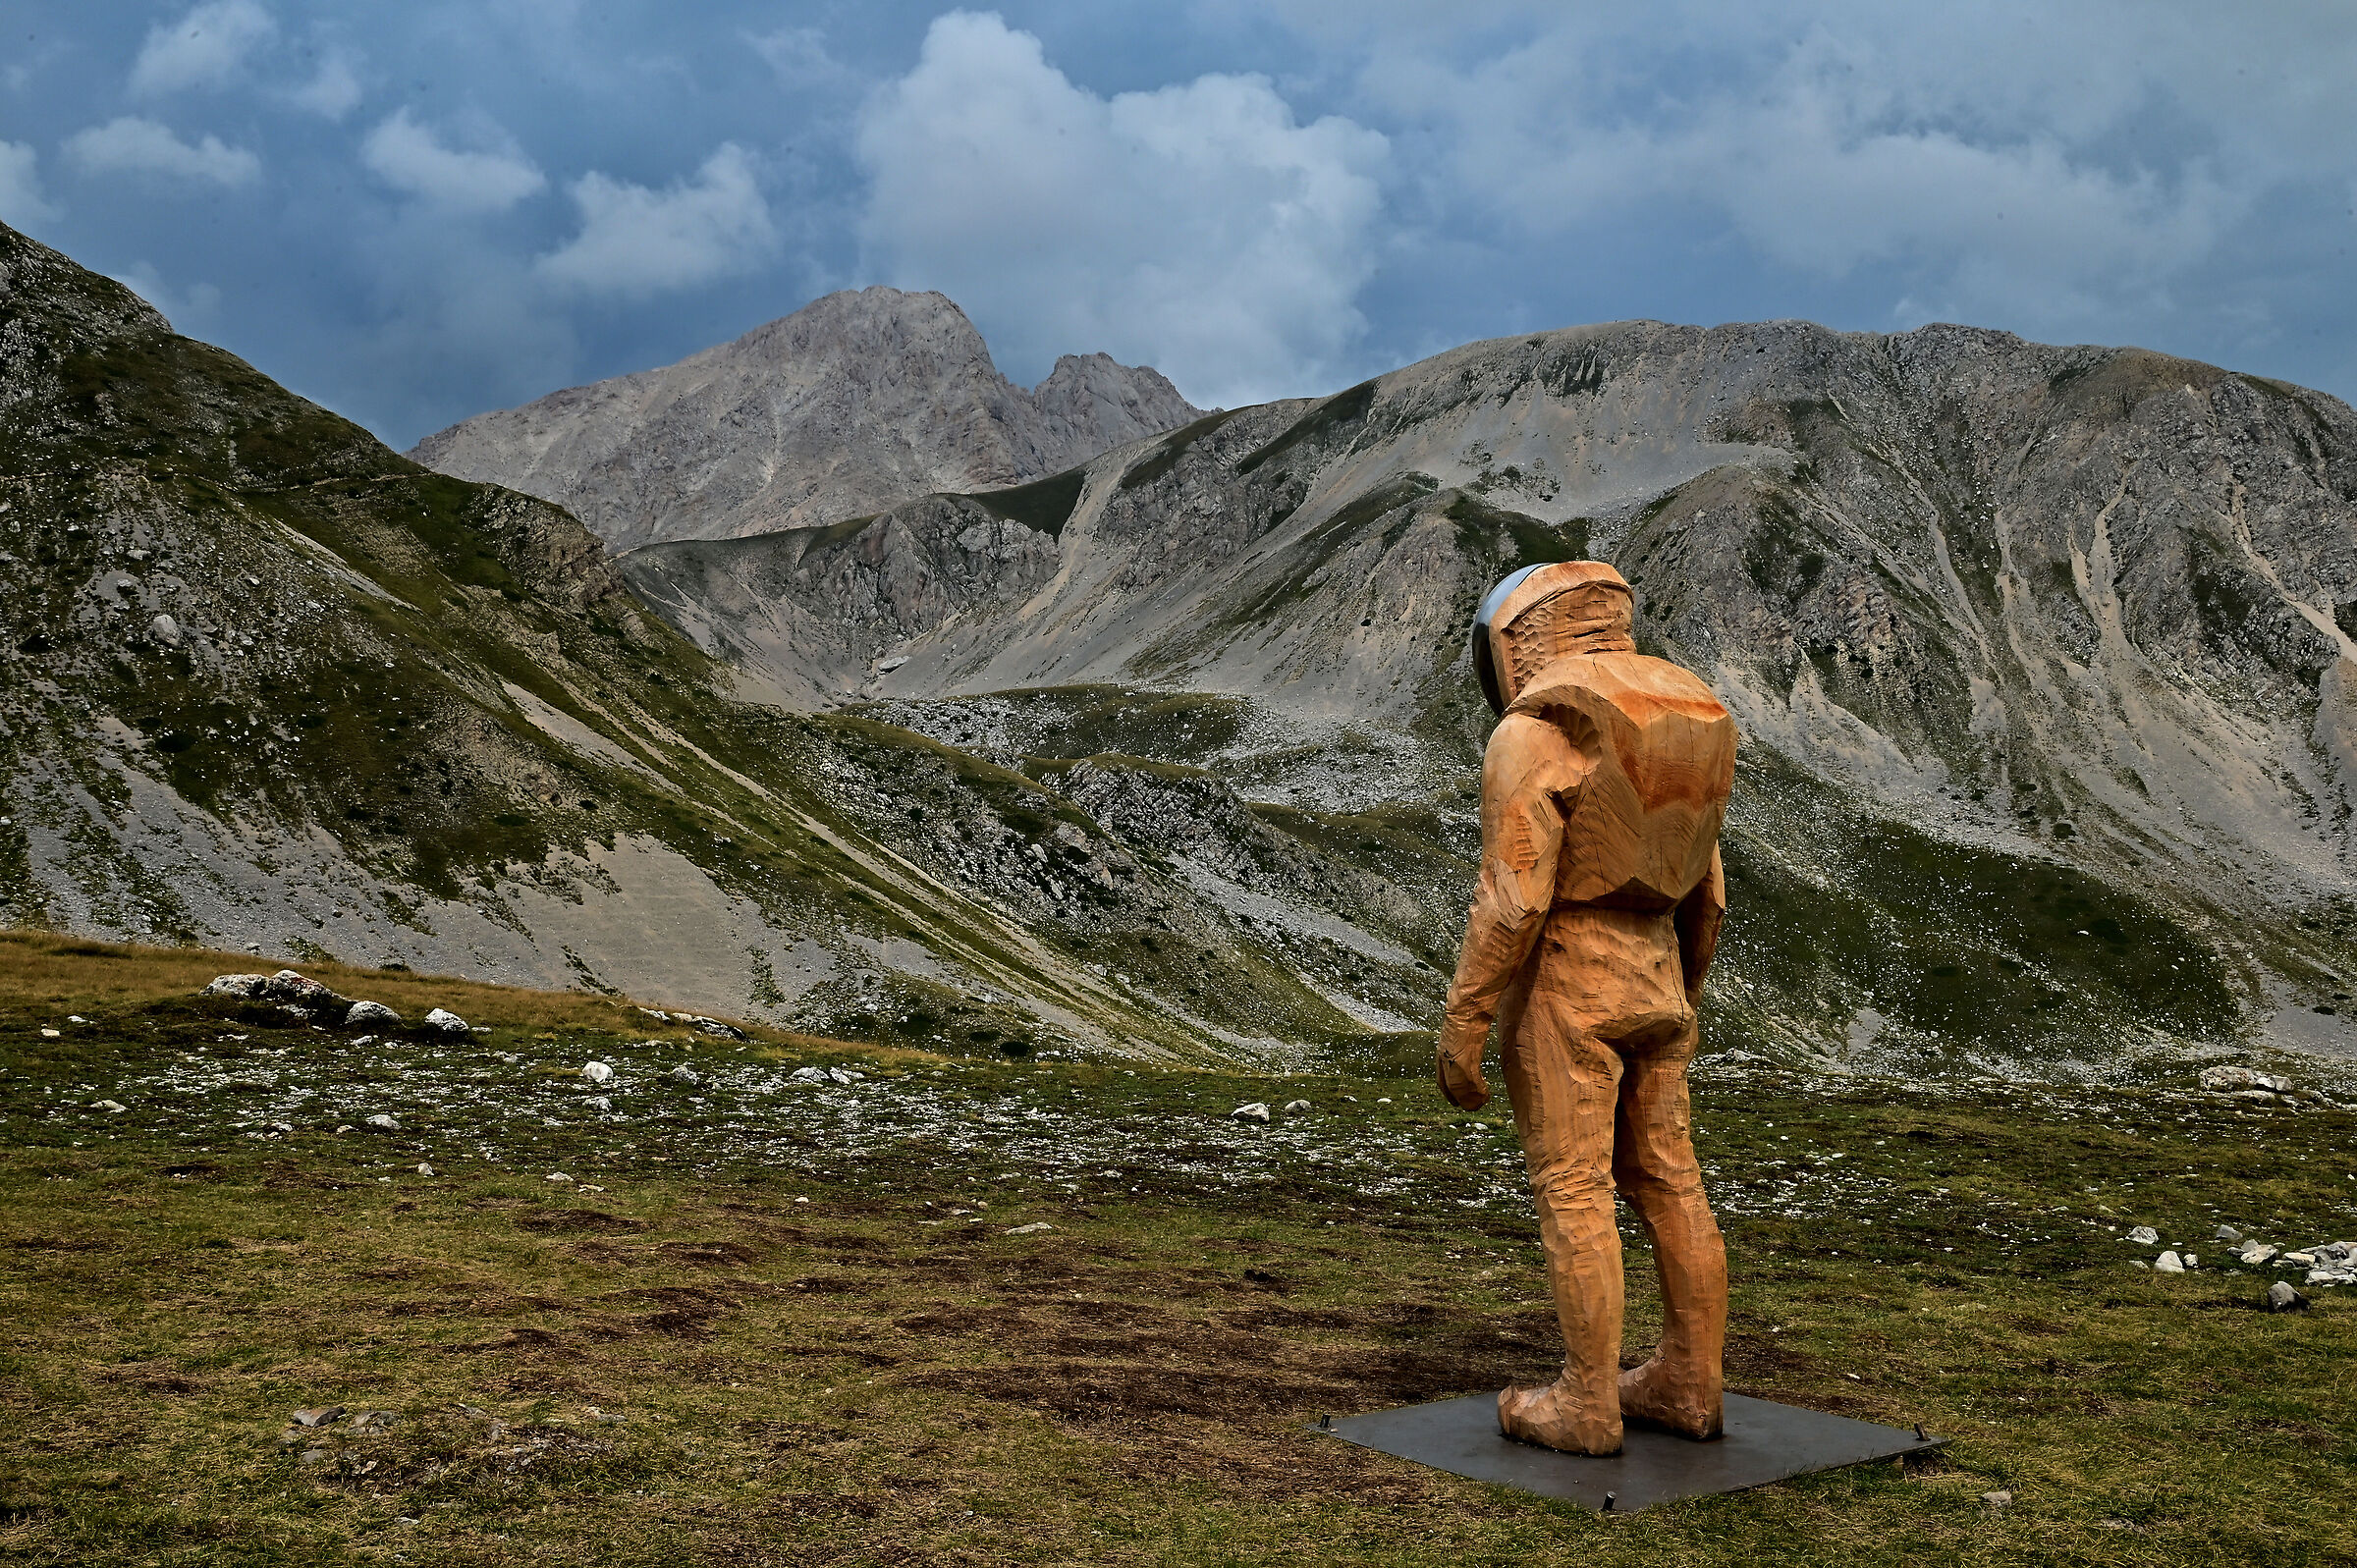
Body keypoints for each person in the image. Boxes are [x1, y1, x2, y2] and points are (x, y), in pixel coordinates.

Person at [1438, 559, 1737, 1456]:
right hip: (1659, 974)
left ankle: (1586, 1402)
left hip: (1568, 980)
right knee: (1672, 1180)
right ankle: (1690, 1382)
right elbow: (1710, 893)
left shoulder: (1538, 729)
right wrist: (1685, 992)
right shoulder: (1681, 721)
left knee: (1574, 1189)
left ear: (1510, 642)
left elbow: (1514, 897)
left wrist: (1464, 1023)